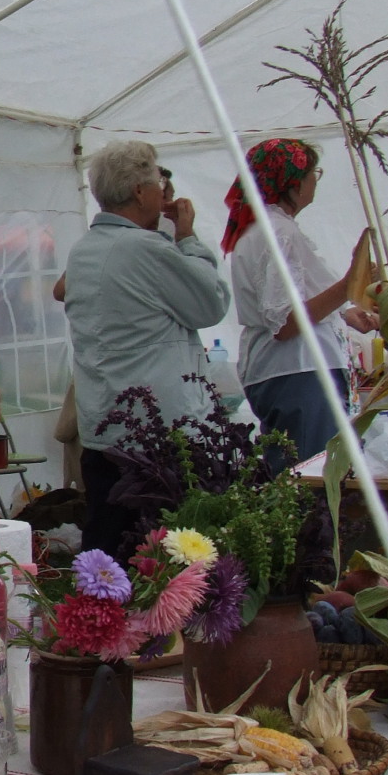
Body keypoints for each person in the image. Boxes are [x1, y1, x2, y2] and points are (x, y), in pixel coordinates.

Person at [62, 142, 230, 557]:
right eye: (158, 182)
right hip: (155, 439)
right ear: (140, 191)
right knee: (166, 558)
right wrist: (187, 237)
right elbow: (211, 302)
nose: (163, 191)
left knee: (109, 552)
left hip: (105, 428)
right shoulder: (145, 248)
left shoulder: (84, 249)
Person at [224, 138, 377, 462]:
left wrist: (343, 312)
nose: (315, 181)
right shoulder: (277, 232)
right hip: (298, 372)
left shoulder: (267, 228)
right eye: (313, 174)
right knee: (311, 474)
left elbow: (292, 302)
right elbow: (285, 323)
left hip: (292, 371)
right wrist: (349, 285)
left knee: (309, 472)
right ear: (292, 182)